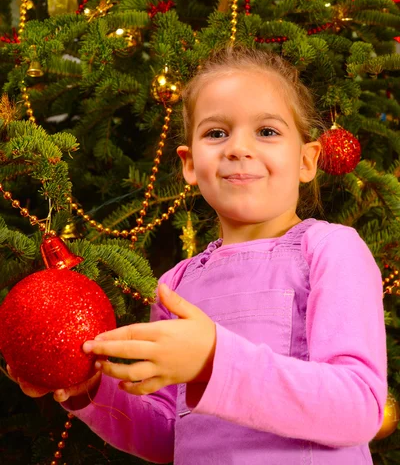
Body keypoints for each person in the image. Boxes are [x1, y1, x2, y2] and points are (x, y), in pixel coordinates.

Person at [11, 46, 387, 464]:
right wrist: (89, 389)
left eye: (266, 131)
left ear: (306, 160)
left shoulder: (330, 251)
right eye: (216, 133)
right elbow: (166, 434)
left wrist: (214, 359)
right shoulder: (176, 285)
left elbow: (357, 407)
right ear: (190, 165)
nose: (238, 148)